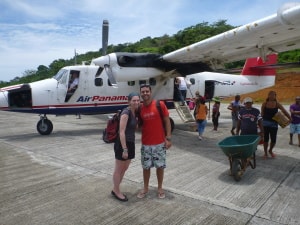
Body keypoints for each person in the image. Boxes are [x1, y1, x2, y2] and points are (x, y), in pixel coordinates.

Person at [137, 84, 172, 199]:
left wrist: (168, 138)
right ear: (140, 94)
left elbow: (167, 121)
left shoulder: (159, 105)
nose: (145, 93)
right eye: (143, 92)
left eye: (147, 91)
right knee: (145, 167)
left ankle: (160, 188)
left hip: (159, 143)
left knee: (160, 167)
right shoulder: (140, 108)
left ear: (150, 92)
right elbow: (138, 124)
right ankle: (145, 188)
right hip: (146, 144)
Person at [111, 92, 140, 202]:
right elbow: (121, 131)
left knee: (125, 168)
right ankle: (116, 191)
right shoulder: (126, 112)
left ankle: (116, 188)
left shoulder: (134, 112)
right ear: (129, 101)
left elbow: (133, 127)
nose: (136, 102)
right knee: (118, 169)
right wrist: (124, 149)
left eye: (138, 100)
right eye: (134, 100)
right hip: (123, 144)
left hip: (130, 142)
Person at [261, 91, 291, 159]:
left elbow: (284, 111)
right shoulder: (264, 104)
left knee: (273, 139)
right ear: (268, 96)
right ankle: (265, 153)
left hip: (274, 124)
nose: (271, 96)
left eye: (273, 95)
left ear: (275, 96)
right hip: (265, 123)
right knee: (266, 139)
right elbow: (262, 114)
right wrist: (259, 123)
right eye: (270, 95)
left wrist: (290, 118)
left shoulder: (277, 104)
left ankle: (270, 150)